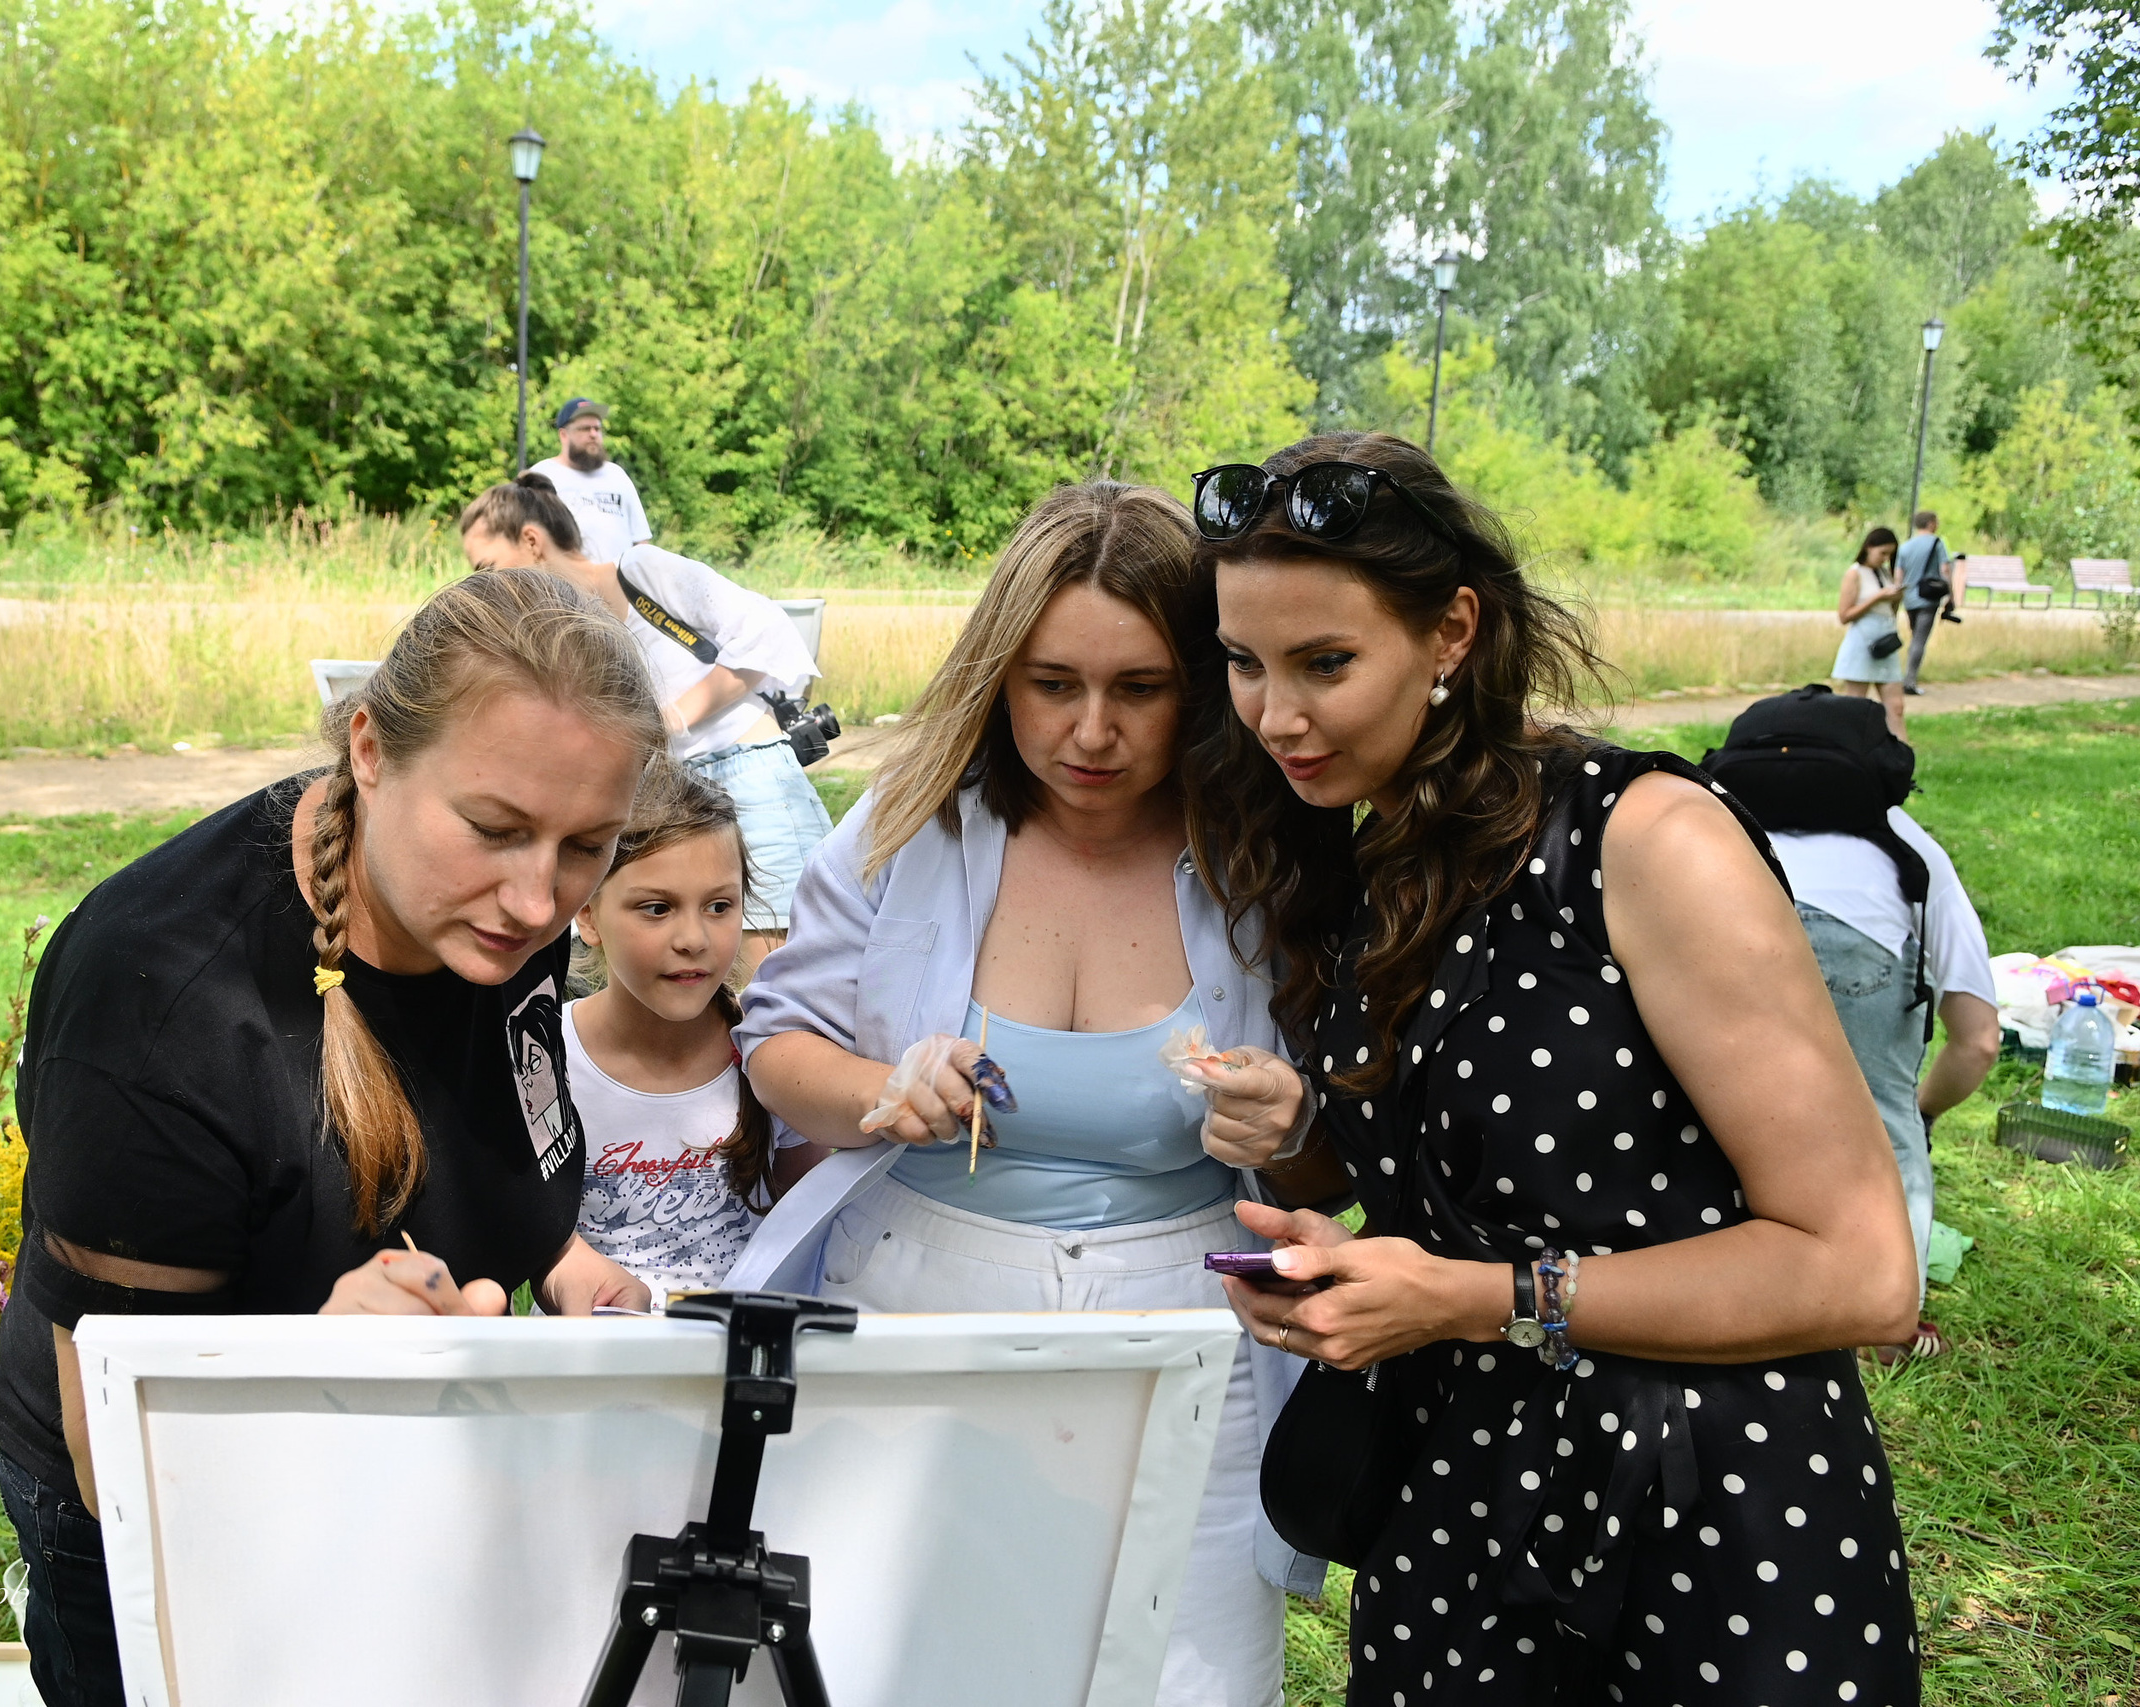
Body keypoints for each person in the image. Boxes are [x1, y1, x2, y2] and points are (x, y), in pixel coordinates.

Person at [1196, 435, 1923, 1706]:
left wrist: (1477, 1298)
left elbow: (1859, 1270)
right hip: (1455, 1510)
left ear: (1452, 632)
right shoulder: (1369, 858)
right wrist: (1307, 1161)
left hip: (1708, 1513)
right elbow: (1438, 1194)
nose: (1276, 717)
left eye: (1325, 663)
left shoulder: (1644, 840)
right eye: (1243, 664)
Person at [0, 570, 660, 1706]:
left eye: (589, 844)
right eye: (494, 830)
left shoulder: (494, 907)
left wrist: (562, 1260)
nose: (539, 900)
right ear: (370, 749)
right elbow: (121, 1465)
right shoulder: (161, 1008)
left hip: (414, 1463)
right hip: (183, 1532)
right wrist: (312, 1372)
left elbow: (498, 1116)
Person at [738, 482, 1345, 1707]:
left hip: (1190, 1328)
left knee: (1187, 1675)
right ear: (997, 676)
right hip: (914, 1300)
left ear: (1201, 686)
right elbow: (777, 1041)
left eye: (1139, 689)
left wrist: (1292, 1124)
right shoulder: (908, 826)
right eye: (1052, 684)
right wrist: (884, 1087)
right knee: (910, 1669)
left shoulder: (1267, 852)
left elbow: (1335, 1159)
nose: (1091, 733)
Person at [460, 477, 831, 964]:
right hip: (671, 803)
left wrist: (669, 719)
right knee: (699, 982)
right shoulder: (567, 635)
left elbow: (764, 633)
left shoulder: (641, 572)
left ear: (531, 540)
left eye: (487, 567)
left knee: (772, 978)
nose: (488, 586)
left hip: (748, 779)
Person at [569, 760, 824, 1301]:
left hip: (737, 1345)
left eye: (718, 906)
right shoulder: (542, 1059)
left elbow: (805, 1227)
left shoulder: (777, 1052)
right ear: (587, 914)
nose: (694, 938)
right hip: (588, 1349)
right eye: (657, 908)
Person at [1761, 781, 1999, 1363]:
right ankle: (1887, 1328)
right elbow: (1978, 1042)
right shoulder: (1910, 843)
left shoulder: (1712, 811)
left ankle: (1727, 1295)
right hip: (1860, 945)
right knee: (1886, 1126)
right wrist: (1920, 1112)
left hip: (1730, 928)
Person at [524, 397, 653, 565]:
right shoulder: (542, 474)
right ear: (563, 435)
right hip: (561, 579)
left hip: (618, 580)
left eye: (597, 428)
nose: (593, 434)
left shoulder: (617, 475)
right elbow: (524, 539)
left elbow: (641, 541)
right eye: (585, 429)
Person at [1832, 526, 1910, 739]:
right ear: (1869, 547)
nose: (1885, 559)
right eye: (1882, 553)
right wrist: (1877, 597)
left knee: (1896, 706)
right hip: (1862, 643)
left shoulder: (1884, 573)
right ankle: (1852, 748)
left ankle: (1901, 751)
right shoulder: (1854, 573)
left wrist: (1896, 599)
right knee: (1856, 708)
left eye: (1889, 555)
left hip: (1885, 643)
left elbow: (1890, 612)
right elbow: (1844, 615)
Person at [1896, 510, 1960, 694]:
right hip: (1928, 598)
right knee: (1919, 640)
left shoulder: (1905, 546)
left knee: (1914, 636)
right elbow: (1945, 570)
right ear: (1931, 523)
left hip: (1909, 598)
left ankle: (1906, 677)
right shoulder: (1937, 543)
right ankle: (1909, 681)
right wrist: (1951, 595)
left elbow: (1898, 574)